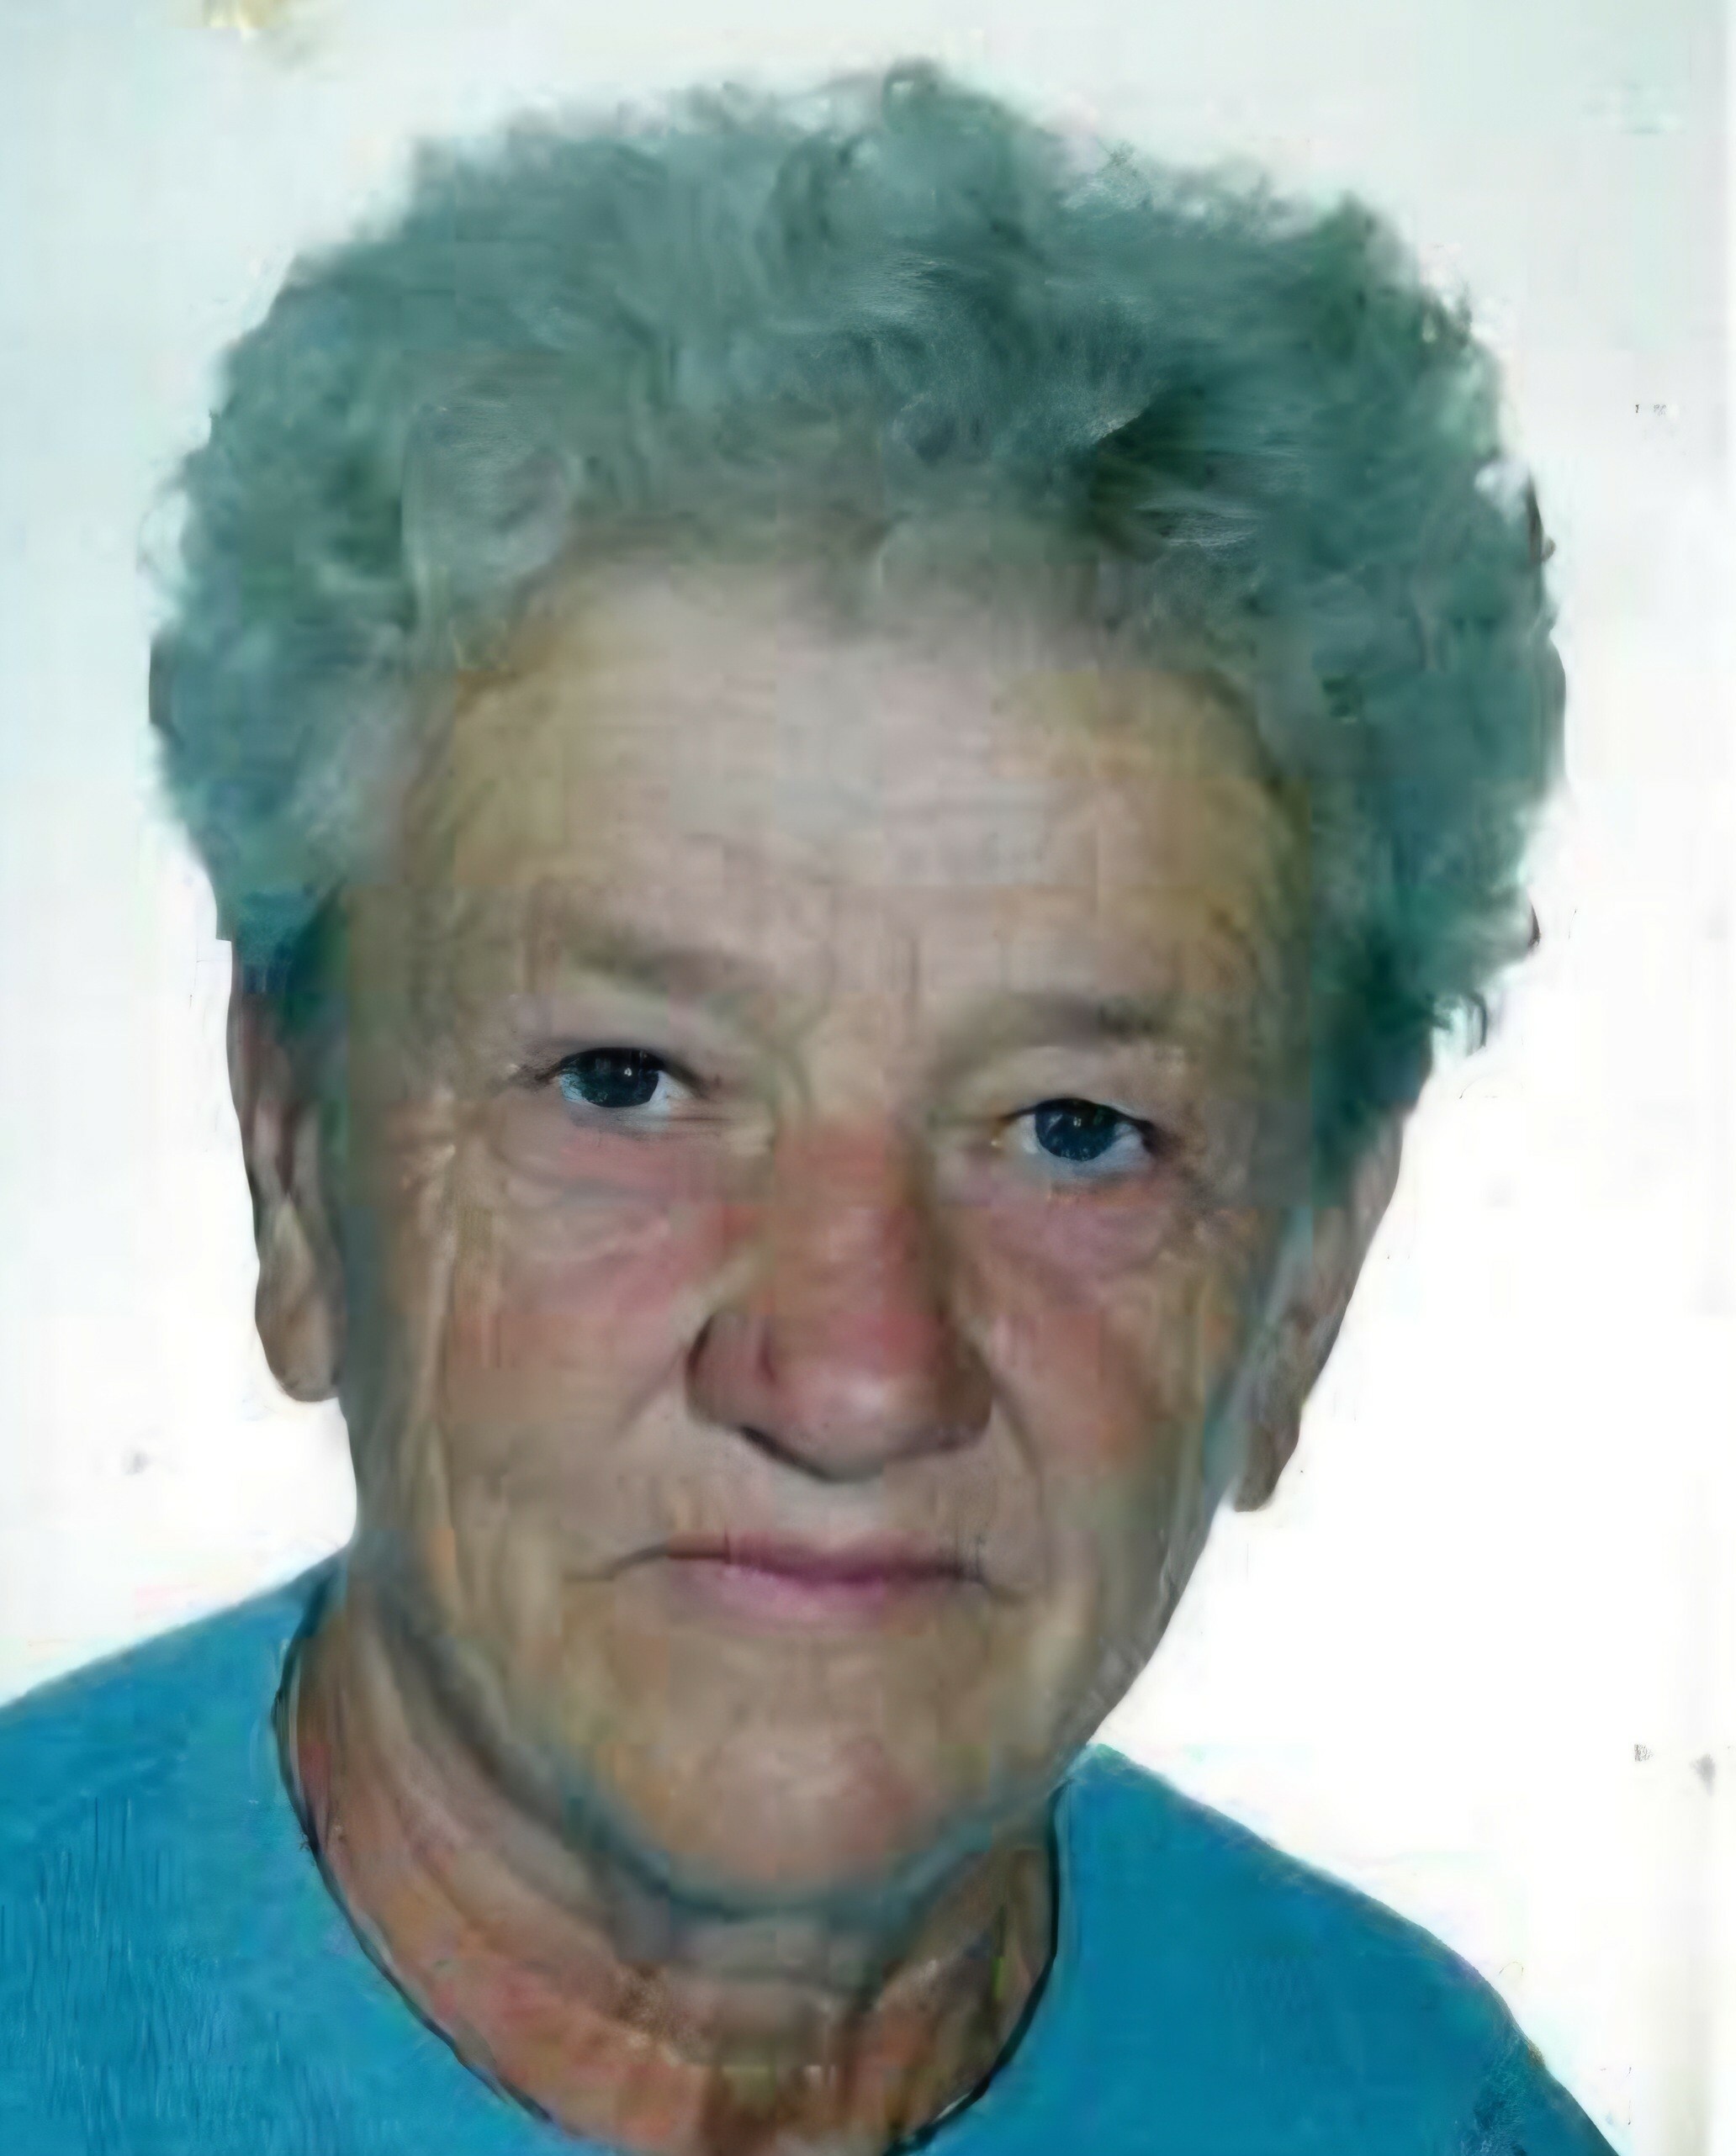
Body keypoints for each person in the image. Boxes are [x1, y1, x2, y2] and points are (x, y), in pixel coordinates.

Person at [0, 61, 1611, 2156]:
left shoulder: (1428, 2115)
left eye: (1075, 1128)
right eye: (628, 1081)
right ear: (298, 1164)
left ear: (1305, 1278)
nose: (856, 1376)